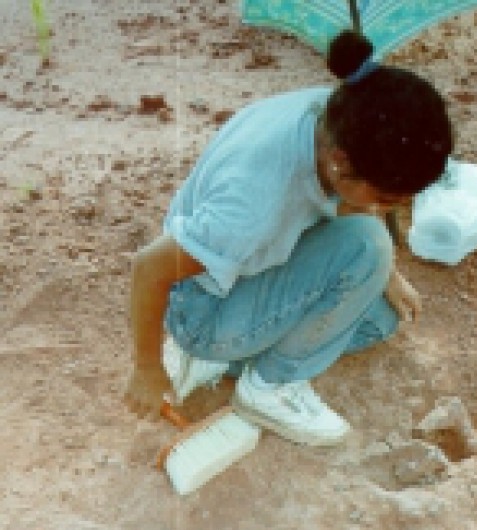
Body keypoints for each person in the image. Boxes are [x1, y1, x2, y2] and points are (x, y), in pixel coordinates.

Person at [125, 30, 453, 445]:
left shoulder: (337, 116)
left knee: (381, 318)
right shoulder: (251, 206)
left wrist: (386, 275)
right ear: (341, 162)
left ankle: (226, 362)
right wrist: (147, 369)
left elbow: (343, 199)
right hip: (203, 309)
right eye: (386, 198)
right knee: (369, 245)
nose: (390, 209)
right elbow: (149, 268)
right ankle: (267, 388)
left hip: (240, 264)